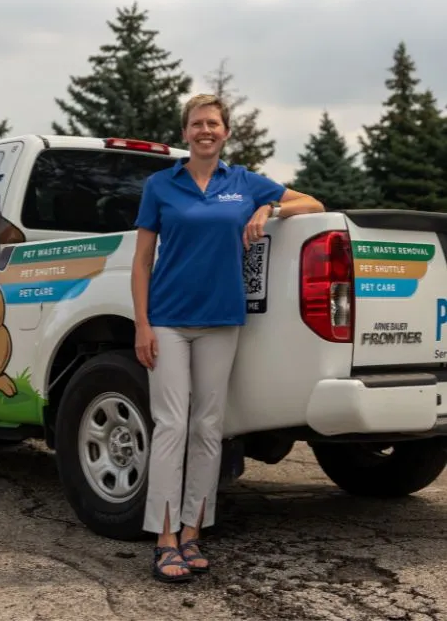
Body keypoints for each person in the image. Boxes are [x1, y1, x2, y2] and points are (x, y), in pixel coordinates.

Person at [131, 93, 324, 583]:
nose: (205, 130)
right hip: (169, 319)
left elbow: (312, 203)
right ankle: (165, 537)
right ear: (186, 132)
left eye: (214, 123)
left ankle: (193, 531)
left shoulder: (244, 183)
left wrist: (269, 212)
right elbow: (141, 260)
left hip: (222, 320)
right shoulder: (161, 185)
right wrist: (142, 324)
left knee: (209, 425)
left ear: (226, 132)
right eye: (197, 123)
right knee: (172, 424)